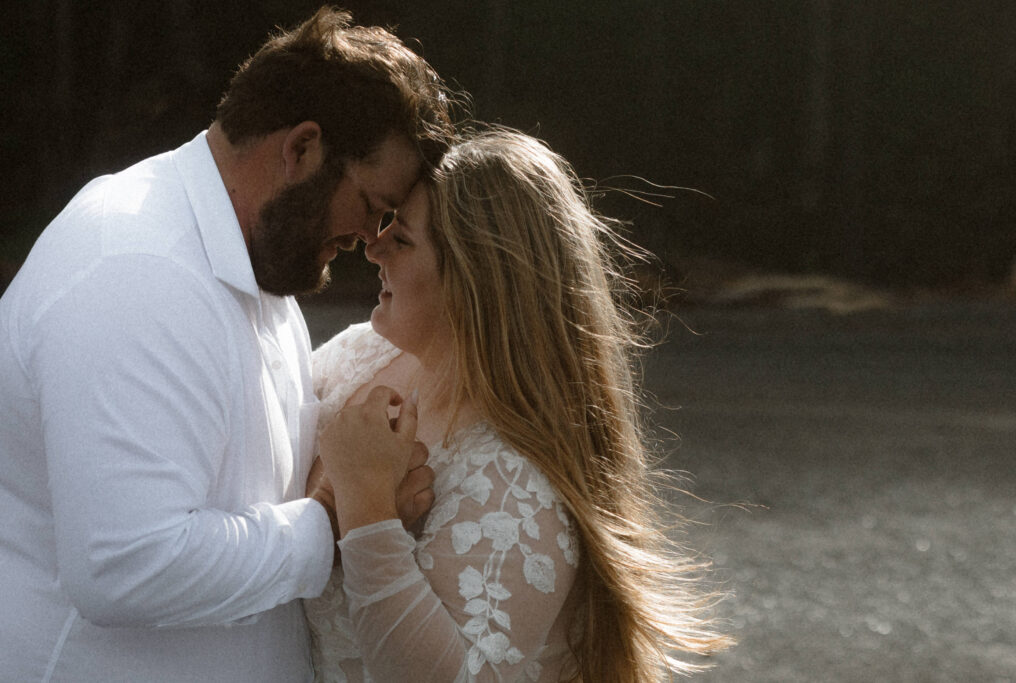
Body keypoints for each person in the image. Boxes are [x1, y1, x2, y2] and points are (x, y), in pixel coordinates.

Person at [0, 8, 453, 681]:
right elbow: (125, 565)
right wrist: (336, 520)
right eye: (372, 202)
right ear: (301, 149)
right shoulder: (135, 265)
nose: (369, 237)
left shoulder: (254, 269)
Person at [305, 128, 731, 682]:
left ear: (475, 282)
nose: (373, 246)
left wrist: (366, 507)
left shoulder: (520, 484)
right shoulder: (355, 357)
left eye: (402, 239)